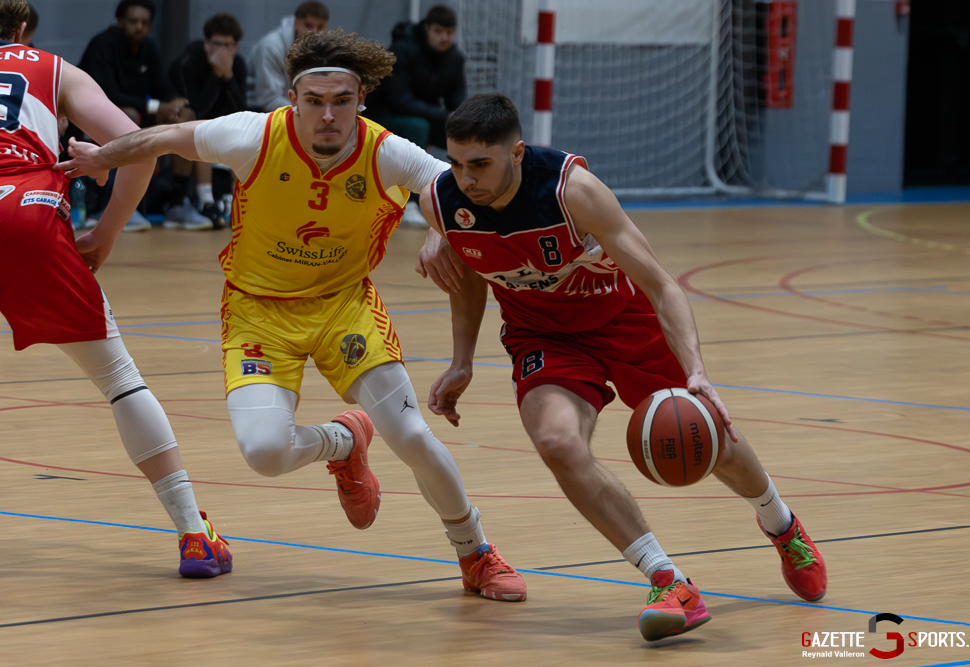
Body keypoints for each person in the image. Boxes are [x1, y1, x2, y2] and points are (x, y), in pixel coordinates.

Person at [58, 30, 527, 603]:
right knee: (264, 453)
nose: (328, 115)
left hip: (344, 307)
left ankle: (475, 552)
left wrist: (438, 229)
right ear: (292, 99)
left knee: (410, 435)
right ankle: (343, 442)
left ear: (361, 100)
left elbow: (449, 187)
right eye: (315, 101)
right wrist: (102, 156)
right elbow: (165, 137)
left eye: (342, 101)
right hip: (257, 313)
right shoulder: (254, 136)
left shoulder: (385, 152)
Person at [415, 94, 827, 641]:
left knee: (712, 441)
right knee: (557, 443)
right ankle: (668, 580)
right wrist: (462, 360)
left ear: (516, 153)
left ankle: (782, 525)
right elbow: (469, 272)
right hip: (544, 336)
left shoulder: (574, 192)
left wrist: (696, 372)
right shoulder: (441, 201)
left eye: (479, 164)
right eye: (456, 163)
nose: (465, 179)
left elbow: (660, 283)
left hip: (624, 319)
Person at [0, 0, 232, 578]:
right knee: (119, 380)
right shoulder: (54, 69)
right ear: (23, 29)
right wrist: (104, 231)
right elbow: (139, 146)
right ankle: (193, 535)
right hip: (26, 214)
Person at [79, 0, 212, 231]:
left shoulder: (149, 48)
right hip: (91, 121)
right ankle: (114, 206)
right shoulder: (102, 45)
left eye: (144, 22)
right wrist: (156, 107)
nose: (139, 27)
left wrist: (174, 102)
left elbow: (162, 85)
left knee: (186, 116)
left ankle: (178, 204)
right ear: (121, 22)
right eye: (133, 21)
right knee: (127, 117)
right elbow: (108, 94)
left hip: (137, 116)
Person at [365, 5, 467, 227]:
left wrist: (462, 119)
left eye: (449, 32)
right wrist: (443, 115)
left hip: (423, 116)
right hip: (381, 115)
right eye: (438, 31)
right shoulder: (402, 49)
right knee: (418, 127)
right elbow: (399, 100)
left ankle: (468, 195)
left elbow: (457, 102)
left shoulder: (455, 58)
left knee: (464, 132)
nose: (444, 37)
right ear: (427, 28)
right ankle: (410, 203)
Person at [169, 13, 247, 227]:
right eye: (216, 44)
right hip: (195, 124)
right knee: (201, 129)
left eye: (227, 45)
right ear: (206, 43)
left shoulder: (238, 65)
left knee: (243, 133)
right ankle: (206, 202)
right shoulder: (189, 61)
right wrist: (215, 75)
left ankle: (240, 203)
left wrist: (228, 76)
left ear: (236, 47)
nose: (222, 51)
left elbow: (242, 110)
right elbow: (197, 108)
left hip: (227, 125)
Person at [248, 1, 328, 113]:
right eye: (308, 26)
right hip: (257, 112)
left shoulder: (320, 48)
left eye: (320, 27)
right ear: (296, 24)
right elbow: (269, 101)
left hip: (293, 109)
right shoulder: (271, 47)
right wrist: (310, 111)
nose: (315, 33)